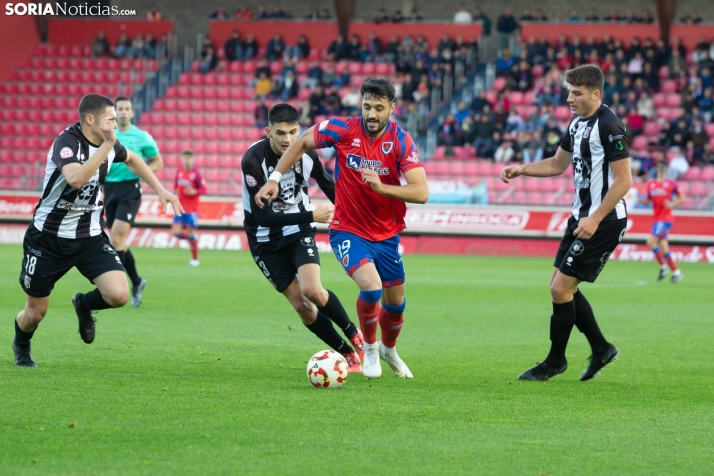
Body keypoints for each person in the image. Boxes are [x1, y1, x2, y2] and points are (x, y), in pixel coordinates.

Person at [256, 79, 429, 379]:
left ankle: (390, 349)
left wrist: (382, 187)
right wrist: (274, 177)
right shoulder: (342, 129)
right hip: (348, 229)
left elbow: (421, 192)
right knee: (371, 287)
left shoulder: (401, 141)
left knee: (396, 304)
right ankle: (371, 350)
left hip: (387, 234)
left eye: (378, 108)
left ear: (391, 108)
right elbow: (301, 142)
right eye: (367, 107)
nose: (372, 114)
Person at [12, 94, 182, 367]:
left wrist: (161, 189)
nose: (116, 124)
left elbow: (134, 159)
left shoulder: (109, 143)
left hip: (89, 237)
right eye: (111, 119)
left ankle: (83, 304)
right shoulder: (66, 143)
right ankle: (21, 343)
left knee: (119, 295)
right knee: (35, 314)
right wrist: (108, 145)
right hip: (47, 239)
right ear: (91, 119)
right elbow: (76, 179)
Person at [500, 65, 633, 381]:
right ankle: (601, 349)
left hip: (603, 220)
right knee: (561, 289)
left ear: (595, 94)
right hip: (580, 217)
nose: (569, 98)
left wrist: (595, 219)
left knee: (561, 289)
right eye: (569, 91)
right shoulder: (576, 125)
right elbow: (558, 164)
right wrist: (523, 169)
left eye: (577, 93)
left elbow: (624, 181)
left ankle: (554, 362)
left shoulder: (610, 126)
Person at [241, 104, 364, 372]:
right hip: (264, 241)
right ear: (268, 131)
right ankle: (346, 354)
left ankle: (355, 335)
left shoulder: (306, 153)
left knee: (313, 291)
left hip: (298, 232)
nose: (287, 139)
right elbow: (263, 218)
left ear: (300, 129)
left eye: (293, 132)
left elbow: (329, 185)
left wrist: (357, 220)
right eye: (280, 133)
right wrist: (311, 215)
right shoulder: (252, 161)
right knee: (303, 306)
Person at [104, 97, 164, 307]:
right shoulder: (106, 136)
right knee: (117, 242)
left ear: (131, 113)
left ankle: (115, 285)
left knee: (117, 237)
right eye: (119, 109)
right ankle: (137, 282)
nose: (122, 112)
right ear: (113, 113)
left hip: (130, 189)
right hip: (108, 189)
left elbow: (158, 161)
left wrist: (141, 173)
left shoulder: (141, 136)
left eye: (126, 109)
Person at [641, 162, 685, 282]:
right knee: (663, 246)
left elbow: (682, 198)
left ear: (666, 170)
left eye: (663, 168)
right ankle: (676, 272)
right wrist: (640, 200)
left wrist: (672, 204)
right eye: (659, 168)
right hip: (656, 218)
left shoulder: (671, 183)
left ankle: (662, 266)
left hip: (666, 219)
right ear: (656, 170)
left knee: (650, 241)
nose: (661, 170)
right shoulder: (651, 184)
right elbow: (649, 200)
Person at [173, 150, 206, 267]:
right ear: (182, 158)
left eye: (189, 158)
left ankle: (195, 259)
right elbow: (176, 186)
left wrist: (194, 191)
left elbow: (203, 189)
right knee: (176, 232)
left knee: (190, 232)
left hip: (192, 209)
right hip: (180, 207)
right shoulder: (179, 170)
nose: (187, 160)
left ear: (193, 159)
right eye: (185, 157)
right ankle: (193, 241)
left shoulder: (196, 173)